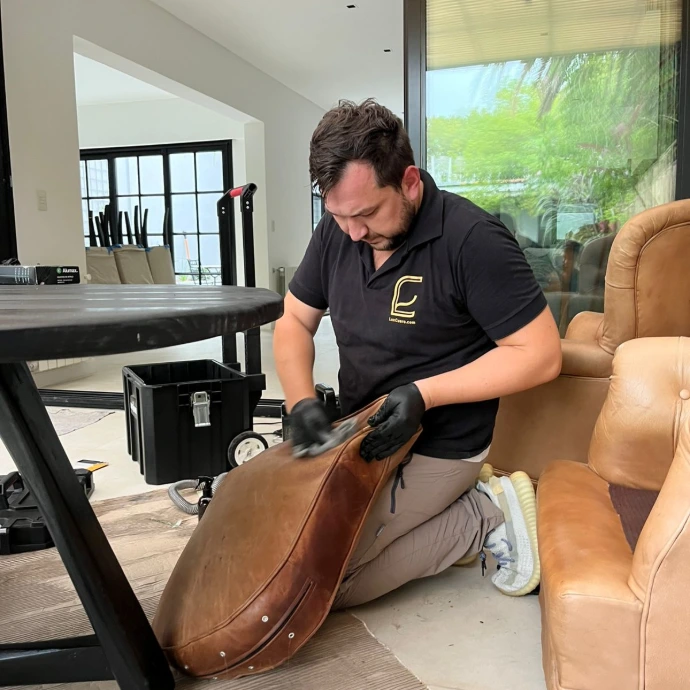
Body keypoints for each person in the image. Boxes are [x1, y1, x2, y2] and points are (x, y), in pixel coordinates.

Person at [273, 99, 562, 608]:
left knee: (324, 587)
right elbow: (294, 320)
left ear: (408, 182)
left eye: (366, 213)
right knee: (285, 553)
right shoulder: (338, 234)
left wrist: (424, 394)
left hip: (441, 445)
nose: (353, 233)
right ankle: (447, 513)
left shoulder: (472, 240)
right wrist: (301, 402)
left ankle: (483, 514)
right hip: (363, 433)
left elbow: (540, 354)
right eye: (337, 216)